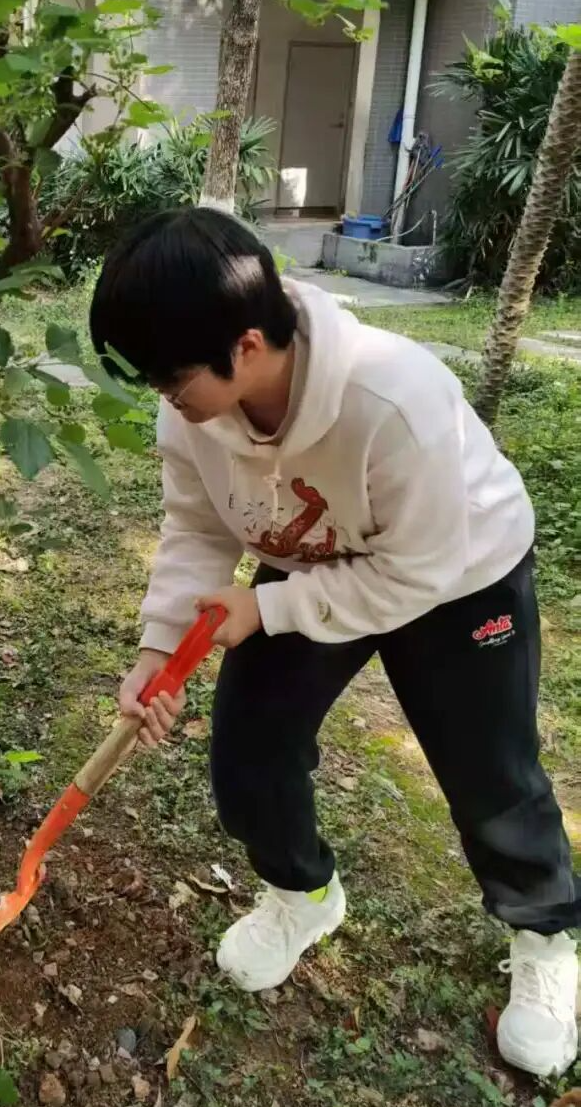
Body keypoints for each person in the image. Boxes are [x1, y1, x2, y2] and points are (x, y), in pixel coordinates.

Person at [89, 207, 579, 1079]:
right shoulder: (193, 415)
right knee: (251, 750)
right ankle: (303, 892)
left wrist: (269, 609)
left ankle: (545, 934)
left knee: (492, 774)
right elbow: (198, 526)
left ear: (245, 345)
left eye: (170, 379)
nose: (164, 398)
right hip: (311, 558)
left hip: (457, 574)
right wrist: (159, 652)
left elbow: (414, 575)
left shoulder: (394, 400)